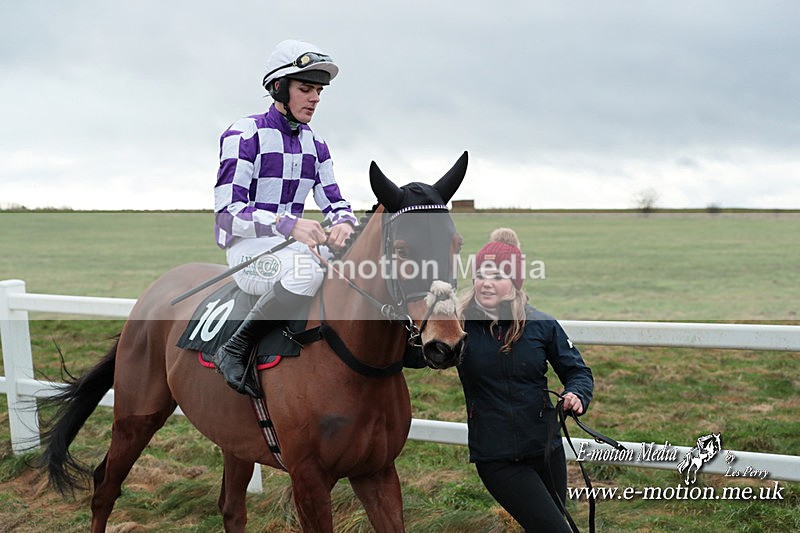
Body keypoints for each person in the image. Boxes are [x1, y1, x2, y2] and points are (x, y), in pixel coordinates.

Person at [212, 39, 357, 397]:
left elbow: (336, 201)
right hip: (249, 252)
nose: (315, 98)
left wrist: (343, 223)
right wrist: (287, 223)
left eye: (319, 91)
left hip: (295, 248)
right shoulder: (244, 133)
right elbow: (228, 214)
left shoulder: (317, 144)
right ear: (279, 88)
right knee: (308, 272)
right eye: (305, 88)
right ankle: (234, 348)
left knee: (362, 271)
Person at [456, 228, 594, 532]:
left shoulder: (541, 324)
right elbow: (417, 356)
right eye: (481, 275)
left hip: (546, 449)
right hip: (497, 457)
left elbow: (578, 372)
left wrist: (577, 395)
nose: (487, 283)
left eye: (499, 275)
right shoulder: (457, 325)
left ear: (515, 283)